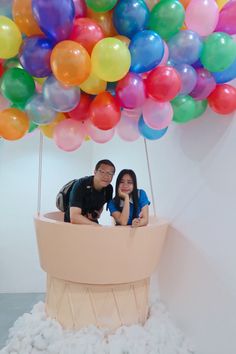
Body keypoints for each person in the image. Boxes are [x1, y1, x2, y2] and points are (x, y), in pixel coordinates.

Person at [65, 159, 115, 225]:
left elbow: (102, 203)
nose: (106, 176)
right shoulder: (81, 184)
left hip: (91, 222)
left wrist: (97, 214)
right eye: (102, 172)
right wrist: (97, 226)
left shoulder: (109, 188)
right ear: (95, 172)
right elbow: (74, 217)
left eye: (110, 173)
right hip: (72, 225)